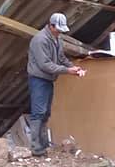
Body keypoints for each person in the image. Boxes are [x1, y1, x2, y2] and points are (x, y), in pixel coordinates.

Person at [27, 13, 86, 155]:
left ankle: (43, 145)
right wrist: (67, 70)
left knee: (45, 112)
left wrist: (73, 67)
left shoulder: (56, 39)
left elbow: (61, 57)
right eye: (58, 29)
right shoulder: (40, 40)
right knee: (38, 112)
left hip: (48, 79)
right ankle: (36, 147)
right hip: (39, 79)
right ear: (51, 25)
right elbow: (45, 65)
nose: (59, 32)